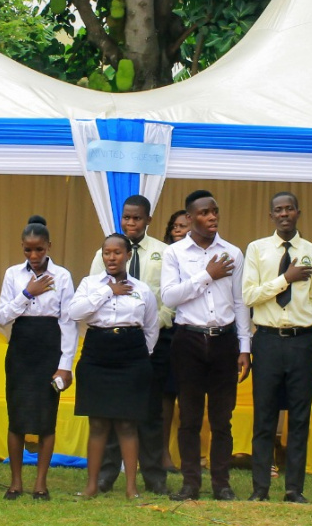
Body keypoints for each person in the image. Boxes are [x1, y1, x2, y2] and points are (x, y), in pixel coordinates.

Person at [161, 190, 252, 501]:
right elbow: (169, 297)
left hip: (224, 340)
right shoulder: (175, 253)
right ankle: (190, 483)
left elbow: (241, 302)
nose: (212, 217)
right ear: (189, 218)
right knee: (188, 416)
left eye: (215, 211)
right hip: (188, 339)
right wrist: (206, 275)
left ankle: (221, 483)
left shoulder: (233, 253)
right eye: (204, 213)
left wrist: (245, 347)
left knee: (221, 418)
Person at [243, 192, 312, 503]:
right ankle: (260, 488)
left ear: (298, 212)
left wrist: (299, 323)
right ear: (271, 216)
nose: (284, 214)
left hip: (301, 342)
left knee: (300, 418)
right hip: (266, 340)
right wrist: (285, 279)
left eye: (289, 208)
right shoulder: (257, 249)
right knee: (264, 415)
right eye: (278, 210)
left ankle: (294, 489)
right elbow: (249, 296)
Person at [88, 195, 172, 495]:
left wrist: (151, 334)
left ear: (148, 220)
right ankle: (105, 476)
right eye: (126, 218)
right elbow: (93, 292)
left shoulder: (164, 253)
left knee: (149, 412)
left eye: (137, 218)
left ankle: (154, 477)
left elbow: (168, 298)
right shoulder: (106, 252)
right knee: (111, 413)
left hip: (153, 341)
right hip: (113, 346)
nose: (131, 223)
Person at [69, 233, 160, 499]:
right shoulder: (89, 284)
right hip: (97, 353)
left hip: (132, 357)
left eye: (117, 252)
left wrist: (141, 356)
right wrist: (108, 291)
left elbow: (151, 328)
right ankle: (91, 486)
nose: (111, 257)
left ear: (128, 255)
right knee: (97, 423)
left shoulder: (142, 289)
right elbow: (75, 313)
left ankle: (131, 487)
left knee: (127, 424)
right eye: (107, 252)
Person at [0, 215, 75, 501]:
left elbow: (68, 322)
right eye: (28, 250)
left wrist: (65, 365)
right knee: (16, 416)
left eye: (39, 249)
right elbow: (3, 316)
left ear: (49, 246)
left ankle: (41, 483)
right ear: (22, 247)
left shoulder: (63, 276)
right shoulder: (13, 274)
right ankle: (15, 482)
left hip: (49, 347)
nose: (34, 255)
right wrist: (28, 293)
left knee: (46, 418)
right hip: (21, 347)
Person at [158, 208, 189, 472]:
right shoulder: (164, 258)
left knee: (191, 398)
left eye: (184, 226)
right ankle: (162, 453)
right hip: (167, 332)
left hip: (195, 331)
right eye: (175, 226)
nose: (179, 231)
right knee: (166, 396)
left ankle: (193, 457)